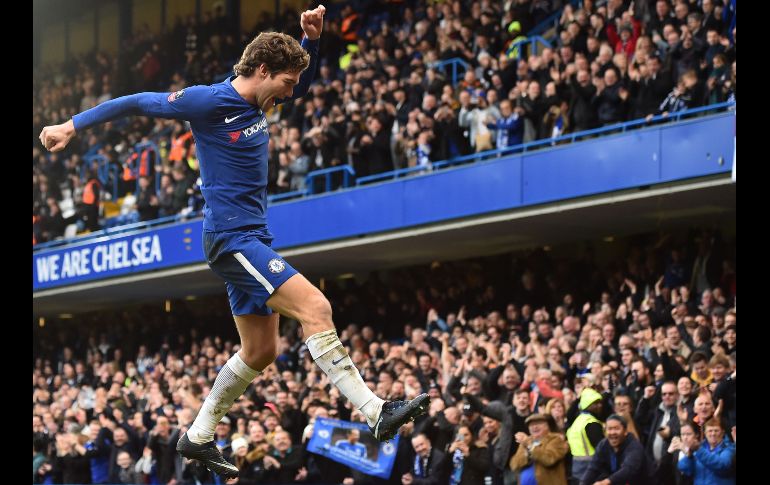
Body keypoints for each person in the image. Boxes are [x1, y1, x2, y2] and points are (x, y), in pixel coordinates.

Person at [39, 5, 428, 479]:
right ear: (262, 70)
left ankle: (198, 436)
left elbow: (299, 82)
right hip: (230, 237)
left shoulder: (261, 100)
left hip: (251, 236)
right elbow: (137, 101)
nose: (292, 92)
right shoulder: (207, 101)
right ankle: (375, 411)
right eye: (286, 82)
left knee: (262, 351)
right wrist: (70, 126)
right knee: (317, 309)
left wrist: (311, 42)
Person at [580, 414, 655, 485]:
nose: (612, 432)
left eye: (616, 428)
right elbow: (593, 468)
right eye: (609, 429)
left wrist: (605, 482)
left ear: (625, 431)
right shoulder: (603, 445)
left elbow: (628, 469)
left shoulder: (634, 446)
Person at [510, 413, 569, 485]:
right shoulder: (526, 442)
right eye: (531, 425)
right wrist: (527, 454)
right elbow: (514, 465)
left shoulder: (556, 439)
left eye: (538, 423)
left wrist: (530, 446)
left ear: (547, 426)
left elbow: (549, 459)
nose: (534, 427)